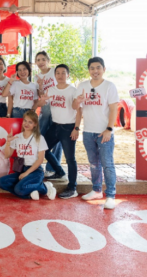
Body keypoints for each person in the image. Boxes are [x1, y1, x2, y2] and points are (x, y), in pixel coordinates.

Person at [73, 57, 119, 210]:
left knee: (108, 164)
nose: (95, 71)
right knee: (93, 164)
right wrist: (78, 101)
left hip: (104, 132)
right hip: (88, 132)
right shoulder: (83, 85)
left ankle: (111, 195)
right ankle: (96, 190)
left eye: (98, 67)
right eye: (92, 68)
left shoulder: (109, 86)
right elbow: (76, 107)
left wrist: (109, 129)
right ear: (89, 70)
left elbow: (113, 109)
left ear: (104, 69)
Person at [0, 110, 57, 200]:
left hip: (35, 171)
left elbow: (40, 160)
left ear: (35, 124)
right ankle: (29, 192)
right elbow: (7, 155)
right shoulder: (17, 137)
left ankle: (44, 187)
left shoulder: (39, 138)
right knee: (1, 182)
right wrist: (8, 142)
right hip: (21, 170)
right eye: (25, 120)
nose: (26, 124)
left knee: (19, 189)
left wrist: (26, 173)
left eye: (30, 122)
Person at [43, 64, 83, 199]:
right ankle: (59, 172)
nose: (60, 76)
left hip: (68, 128)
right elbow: (41, 103)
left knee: (70, 159)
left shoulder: (73, 90)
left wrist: (76, 128)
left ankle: (72, 187)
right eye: (58, 73)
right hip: (55, 126)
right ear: (55, 75)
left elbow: (78, 110)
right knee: (44, 150)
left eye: (63, 73)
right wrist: (40, 101)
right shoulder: (50, 90)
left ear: (68, 75)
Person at [35, 51, 62, 178]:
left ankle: (53, 168)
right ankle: (36, 165)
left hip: (58, 107)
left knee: (57, 140)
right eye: (38, 60)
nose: (40, 62)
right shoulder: (37, 76)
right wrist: (40, 86)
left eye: (43, 59)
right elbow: (40, 94)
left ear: (48, 60)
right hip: (46, 110)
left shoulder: (55, 71)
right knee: (40, 137)